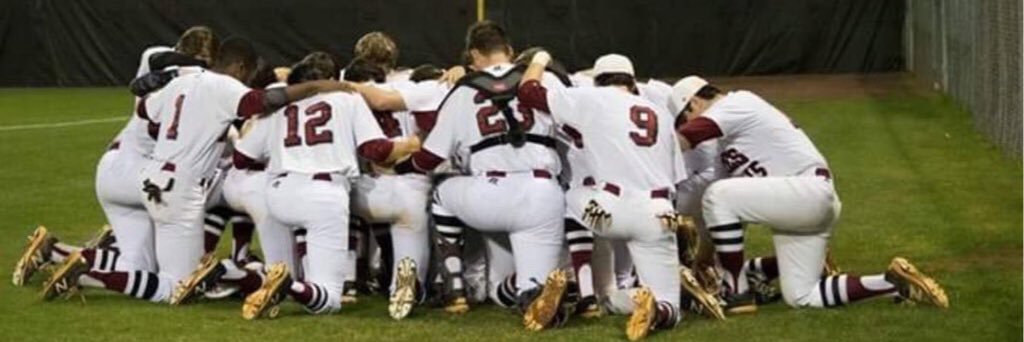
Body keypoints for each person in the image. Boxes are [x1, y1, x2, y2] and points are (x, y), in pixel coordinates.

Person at [39, 38, 350, 305]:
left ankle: (77, 265)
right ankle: (87, 275)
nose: (247, 78)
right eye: (248, 72)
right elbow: (264, 101)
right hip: (180, 187)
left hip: (152, 176)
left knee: (148, 269)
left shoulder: (181, 83)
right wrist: (315, 87)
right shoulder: (224, 85)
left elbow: (146, 113)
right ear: (240, 66)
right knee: (177, 287)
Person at [671, 75, 950, 313]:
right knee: (802, 296)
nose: (687, 123)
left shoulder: (736, 103)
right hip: (803, 203)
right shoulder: (724, 142)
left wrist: (649, 147)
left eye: (684, 118)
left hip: (807, 189)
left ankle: (737, 293)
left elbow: (687, 138)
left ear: (693, 103)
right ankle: (893, 283)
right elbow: (715, 206)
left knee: (719, 194)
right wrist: (702, 258)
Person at [392, 21, 568, 331]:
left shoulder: (463, 90)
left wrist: (400, 167)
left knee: (441, 192)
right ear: (509, 50)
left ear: (473, 54)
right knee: (531, 288)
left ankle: (455, 289)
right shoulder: (545, 79)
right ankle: (534, 291)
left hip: (488, 194)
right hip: (542, 192)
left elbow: (431, 157)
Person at [518, 52, 708, 340]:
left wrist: (540, 59)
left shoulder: (592, 98)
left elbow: (528, 93)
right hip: (659, 214)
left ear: (598, 80)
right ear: (631, 82)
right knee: (671, 310)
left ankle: (586, 292)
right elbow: (676, 178)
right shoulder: (659, 112)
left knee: (571, 194)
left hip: (610, 211)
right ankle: (660, 310)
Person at [12, 26, 218, 289]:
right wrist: (193, 69)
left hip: (124, 169)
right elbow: (160, 58)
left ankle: (55, 252)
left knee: (140, 268)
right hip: (136, 171)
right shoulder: (168, 65)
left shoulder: (185, 80)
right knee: (208, 195)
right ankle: (210, 264)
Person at [233, 54, 420, 319]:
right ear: (332, 79)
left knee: (305, 264)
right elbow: (375, 150)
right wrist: (411, 144)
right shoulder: (347, 97)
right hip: (324, 194)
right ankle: (290, 284)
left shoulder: (283, 104)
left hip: (278, 194)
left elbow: (241, 158)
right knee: (329, 300)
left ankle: (236, 272)